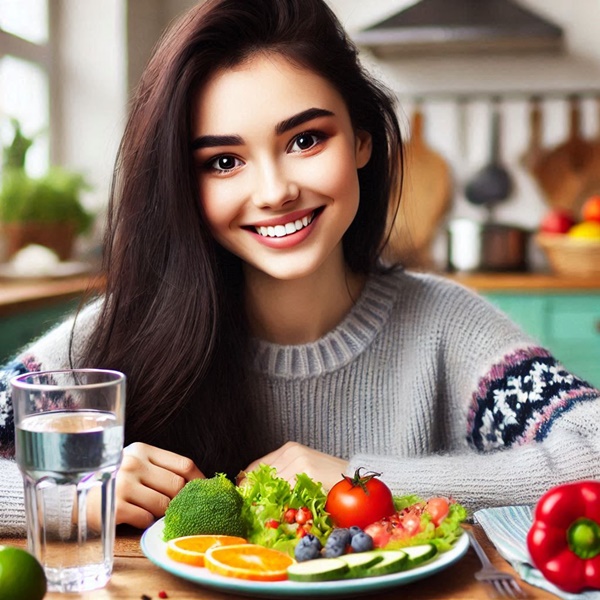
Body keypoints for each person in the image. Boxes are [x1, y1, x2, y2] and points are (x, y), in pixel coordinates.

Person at [1, 0, 599, 536]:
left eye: (305, 141)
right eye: (225, 160)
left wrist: (362, 484)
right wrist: (78, 491)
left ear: (362, 139)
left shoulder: (447, 327)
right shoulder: (121, 331)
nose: (274, 191)